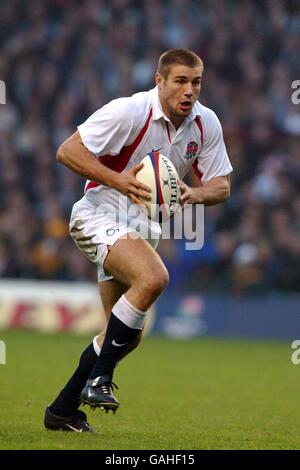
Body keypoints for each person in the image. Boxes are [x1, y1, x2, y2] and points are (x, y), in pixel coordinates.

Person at [44, 48, 232, 432]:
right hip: (98, 214)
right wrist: (118, 179)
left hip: (142, 229)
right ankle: (100, 381)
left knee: (125, 337)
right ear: (159, 80)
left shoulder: (205, 123)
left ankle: (62, 411)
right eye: (180, 81)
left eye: (196, 82)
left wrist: (192, 193)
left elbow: (222, 186)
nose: (189, 90)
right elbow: (68, 151)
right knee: (153, 278)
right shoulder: (128, 111)